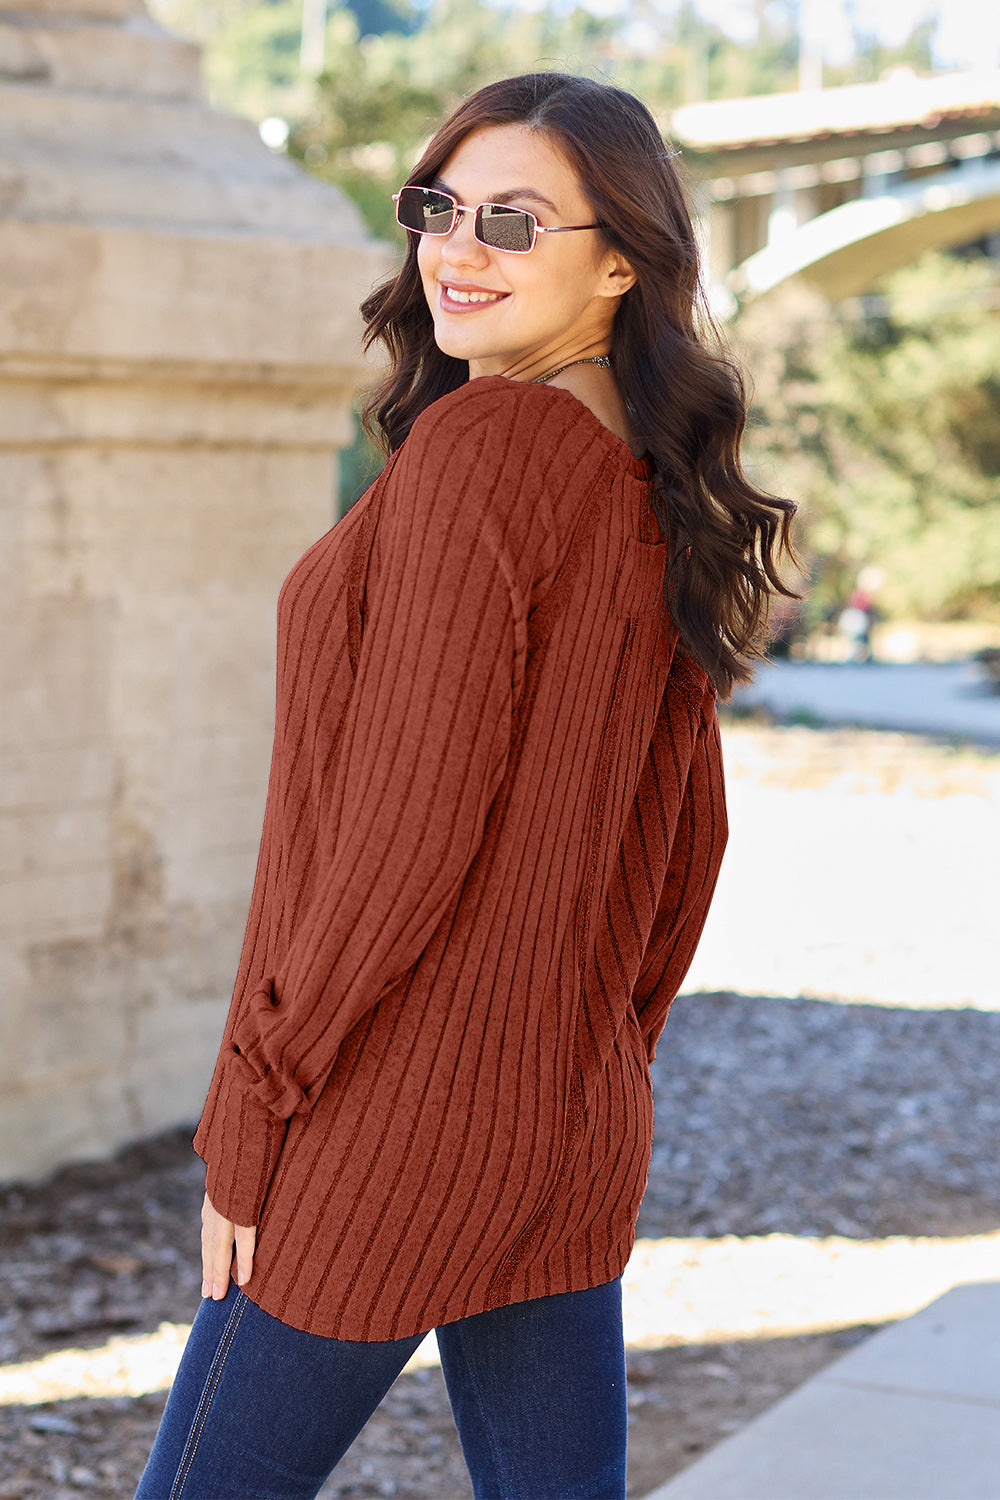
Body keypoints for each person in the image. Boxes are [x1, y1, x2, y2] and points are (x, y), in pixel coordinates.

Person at [136, 71, 796, 1500]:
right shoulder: (649, 488)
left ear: (621, 258)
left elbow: (400, 835)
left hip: (385, 1119)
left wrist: (255, 1108)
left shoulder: (485, 452)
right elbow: (686, 846)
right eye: (441, 207)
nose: (458, 248)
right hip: (562, 1116)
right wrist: (598, 1049)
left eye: (513, 219)